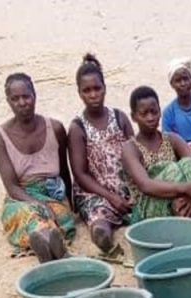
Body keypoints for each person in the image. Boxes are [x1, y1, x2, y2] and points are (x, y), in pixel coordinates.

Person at [0, 72, 75, 261]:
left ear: (34, 96)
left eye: (26, 96)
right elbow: (11, 186)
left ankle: (48, 248)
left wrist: (70, 201)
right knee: (30, 216)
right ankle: (53, 249)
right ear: (8, 102)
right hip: (21, 197)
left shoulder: (54, 128)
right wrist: (37, 203)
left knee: (60, 217)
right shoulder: (1, 135)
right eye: (15, 99)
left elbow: (64, 170)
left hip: (52, 193)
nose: (22, 103)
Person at [67, 53, 135, 255]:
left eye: (97, 88)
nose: (93, 94)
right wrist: (111, 197)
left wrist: (136, 187)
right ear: (79, 93)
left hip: (127, 188)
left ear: (104, 88)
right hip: (96, 192)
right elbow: (80, 174)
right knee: (99, 224)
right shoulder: (78, 127)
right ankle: (106, 242)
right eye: (87, 90)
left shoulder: (119, 117)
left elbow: (137, 153)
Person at [120, 86, 191, 223]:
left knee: (189, 164)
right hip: (147, 207)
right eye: (144, 114)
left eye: (154, 112)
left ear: (160, 112)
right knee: (173, 170)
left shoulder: (171, 139)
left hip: (181, 197)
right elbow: (145, 185)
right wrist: (187, 189)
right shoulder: (130, 148)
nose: (150, 118)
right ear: (134, 117)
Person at [161, 58, 191, 154]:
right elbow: (168, 142)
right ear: (172, 84)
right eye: (178, 81)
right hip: (183, 156)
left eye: (185, 79)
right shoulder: (168, 113)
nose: (183, 83)